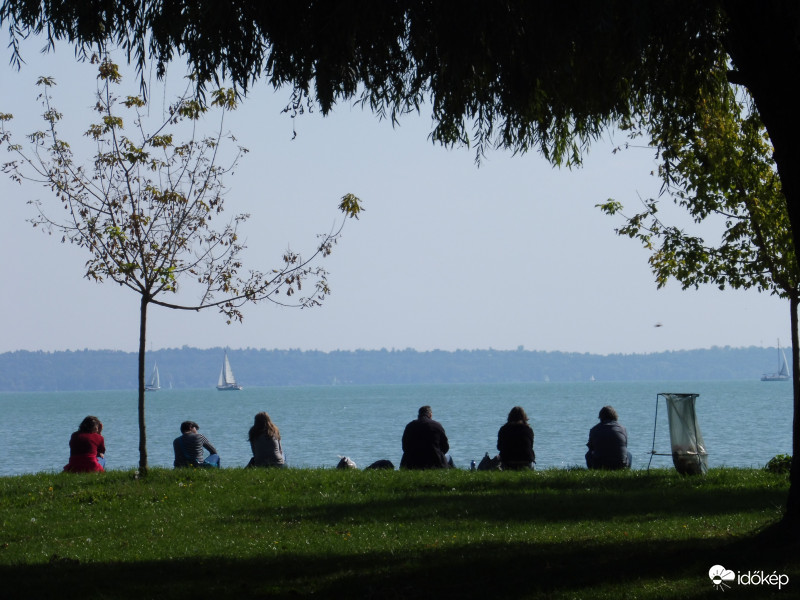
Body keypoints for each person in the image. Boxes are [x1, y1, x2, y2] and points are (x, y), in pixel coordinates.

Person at [585, 405, 632, 470]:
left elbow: (591, 448)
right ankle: (625, 470)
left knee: (588, 454)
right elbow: (625, 446)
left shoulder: (594, 430)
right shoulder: (622, 429)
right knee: (628, 454)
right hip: (620, 465)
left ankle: (593, 469)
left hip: (599, 466)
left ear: (600, 417)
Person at [497, 406, 536, 470]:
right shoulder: (528, 430)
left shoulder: (503, 429)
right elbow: (530, 446)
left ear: (509, 417)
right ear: (524, 417)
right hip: (526, 462)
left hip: (507, 462)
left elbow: (499, 447)